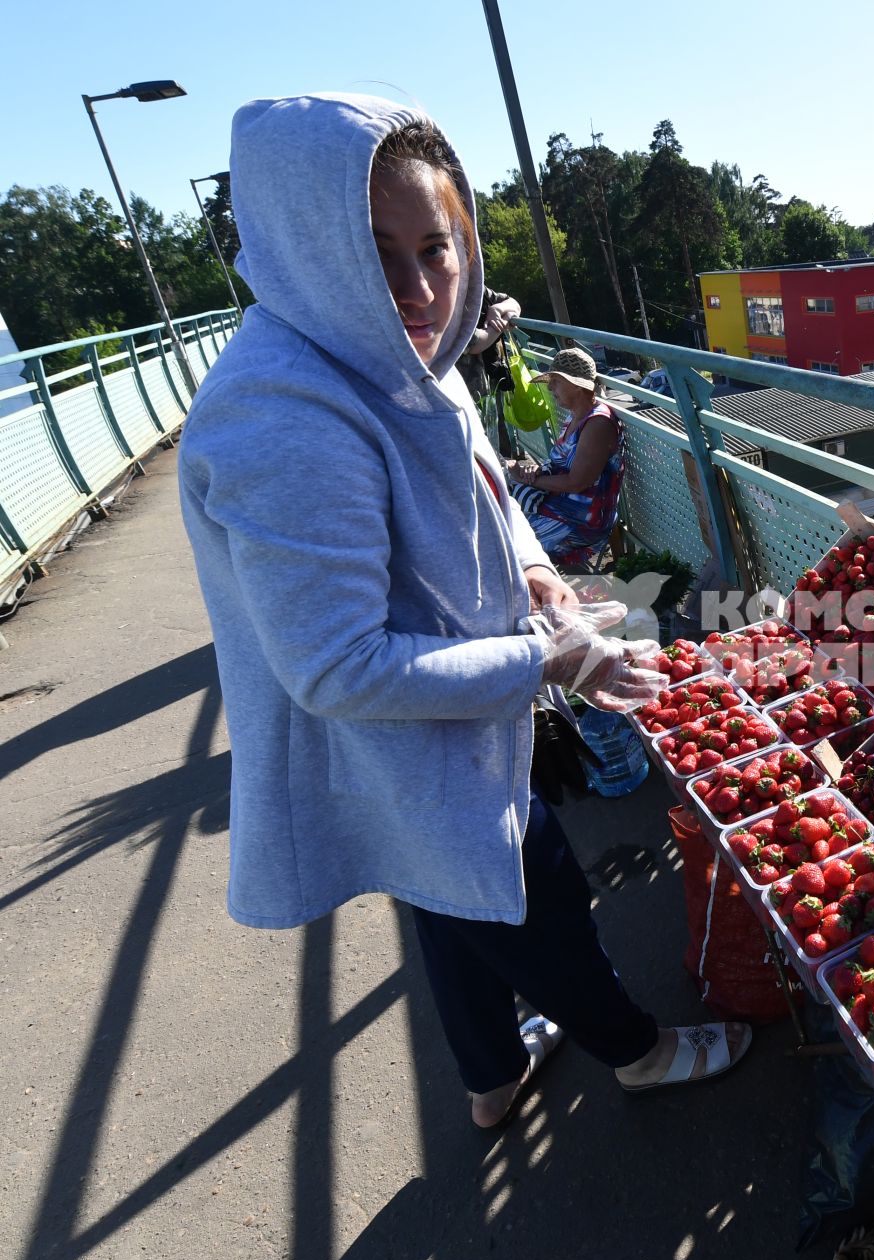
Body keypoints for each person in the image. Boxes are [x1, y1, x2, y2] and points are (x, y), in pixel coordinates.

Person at [177, 93, 749, 1130]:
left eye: (434, 247)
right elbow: (338, 668)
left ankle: (490, 1076)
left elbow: (484, 484)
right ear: (305, 246)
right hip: (407, 738)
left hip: (428, 734)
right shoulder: (283, 416)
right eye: (373, 251)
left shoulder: (384, 352)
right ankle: (637, 1049)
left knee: (445, 905)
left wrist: (533, 573)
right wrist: (547, 660)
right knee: (537, 896)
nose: (417, 287)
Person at [507, 346, 625, 565]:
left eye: (556, 381)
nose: (550, 387)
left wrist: (529, 481)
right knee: (497, 526)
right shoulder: (575, 418)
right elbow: (560, 464)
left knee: (507, 548)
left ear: (577, 385)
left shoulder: (598, 423)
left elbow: (576, 483)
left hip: (581, 520)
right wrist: (537, 470)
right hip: (561, 509)